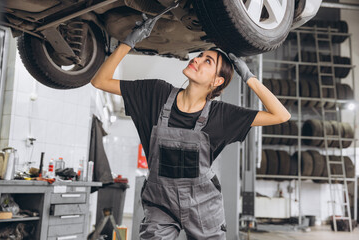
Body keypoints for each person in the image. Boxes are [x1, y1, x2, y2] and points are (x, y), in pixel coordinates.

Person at [91, 13, 291, 240]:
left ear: (217, 82)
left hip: (203, 207)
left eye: (208, 61)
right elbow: (100, 81)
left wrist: (248, 77)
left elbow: (280, 115)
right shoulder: (156, 93)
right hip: (160, 205)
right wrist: (128, 42)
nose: (196, 59)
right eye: (200, 56)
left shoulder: (221, 115)